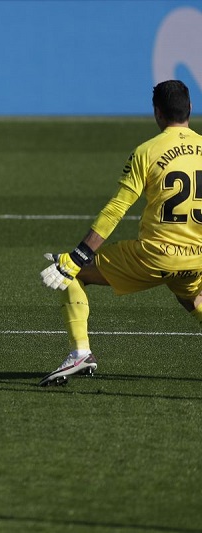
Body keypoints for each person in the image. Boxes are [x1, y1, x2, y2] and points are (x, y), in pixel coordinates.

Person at [39, 79, 202, 386]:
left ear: (157, 113)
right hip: (197, 258)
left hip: (155, 256)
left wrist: (79, 255)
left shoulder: (148, 151)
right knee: (192, 298)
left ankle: (80, 353)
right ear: (190, 108)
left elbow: (117, 208)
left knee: (72, 272)